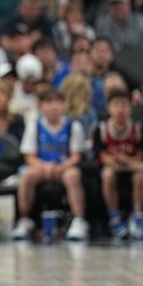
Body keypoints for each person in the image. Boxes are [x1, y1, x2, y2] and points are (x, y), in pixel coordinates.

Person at [12, 88, 88, 241]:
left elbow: (76, 156)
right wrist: (44, 167)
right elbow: (29, 156)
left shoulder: (73, 127)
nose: (54, 107)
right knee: (27, 175)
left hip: (64, 167)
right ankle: (24, 219)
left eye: (58, 102)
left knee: (73, 175)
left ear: (64, 106)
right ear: (41, 106)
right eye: (49, 102)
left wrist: (61, 167)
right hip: (41, 166)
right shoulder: (34, 126)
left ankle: (78, 220)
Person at [94, 89, 143, 238]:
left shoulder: (139, 128)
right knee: (108, 176)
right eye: (116, 105)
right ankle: (114, 217)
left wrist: (128, 161)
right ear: (109, 108)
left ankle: (137, 215)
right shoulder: (101, 129)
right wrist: (115, 161)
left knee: (140, 175)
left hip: (132, 166)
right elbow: (101, 155)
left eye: (124, 105)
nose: (120, 110)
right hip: (112, 167)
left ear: (130, 108)